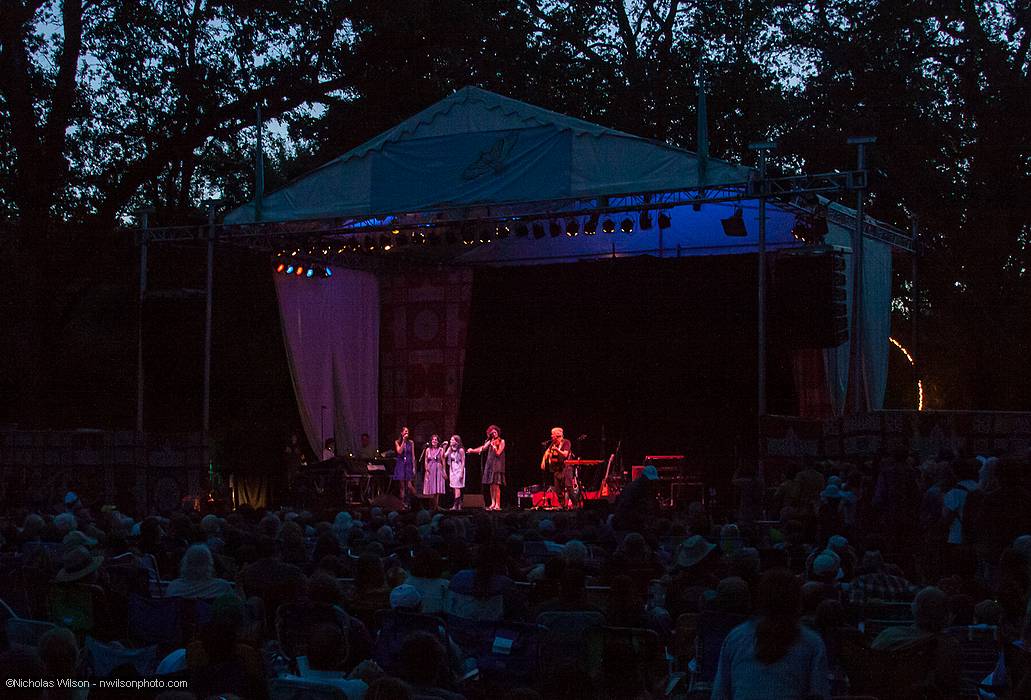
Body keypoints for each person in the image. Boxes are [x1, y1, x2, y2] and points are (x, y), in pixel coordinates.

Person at [711, 568, 830, 700]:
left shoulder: (735, 637)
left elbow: (719, 693)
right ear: (797, 601)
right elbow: (819, 693)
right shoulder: (812, 642)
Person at [468, 425, 505, 511]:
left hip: (497, 465)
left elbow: (499, 453)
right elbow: (483, 448)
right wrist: (472, 450)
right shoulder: (490, 441)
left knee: (496, 485)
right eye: (492, 433)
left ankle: (497, 504)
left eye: (495, 432)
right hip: (490, 465)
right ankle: (492, 503)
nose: (494, 434)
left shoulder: (502, 441)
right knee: (491, 485)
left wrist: (494, 447)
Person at [540, 427, 572, 509]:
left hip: (566, 467)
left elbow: (565, 454)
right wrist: (543, 461)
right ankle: (562, 505)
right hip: (557, 469)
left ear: (558, 435)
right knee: (557, 489)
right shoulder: (553, 443)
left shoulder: (566, 442)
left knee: (568, 487)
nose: (551, 436)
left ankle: (575, 504)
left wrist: (557, 450)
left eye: (552, 435)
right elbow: (547, 451)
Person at [421, 435, 446, 510]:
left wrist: (444, 471)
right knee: (430, 487)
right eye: (432, 440)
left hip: (438, 468)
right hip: (430, 468)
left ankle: (436, 506)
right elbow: (425, 460)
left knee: (437, 488)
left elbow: (443, 461)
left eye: (435, 440)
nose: (434, 441)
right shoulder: (428, 449)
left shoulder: (441, 449)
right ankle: (431, 506)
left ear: (438, 441)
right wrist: (426, 468)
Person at [394, 427, 416, 508]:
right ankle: (402, 504)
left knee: (409, 485)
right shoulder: (397, 442)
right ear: (402, 433)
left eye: (408, 432)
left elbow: (413, 456)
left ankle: (415, 500)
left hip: (409, 465)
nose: (407, 433)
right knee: (402, 486)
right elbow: (399, 451)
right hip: (401, 464)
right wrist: (403, 441)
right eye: (405, 431)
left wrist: (414, 467)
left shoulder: (411, 442)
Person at [443, 435, 465, 510]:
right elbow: (444, 456)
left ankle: (456, 505)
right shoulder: (450, 448)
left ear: (457, 441)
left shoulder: (461, 450)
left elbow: (463, 462)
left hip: (459, 469)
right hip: (452, 469)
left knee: (457, 487)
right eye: (450, 440)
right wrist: (444, 448)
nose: (450, 441)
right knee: (453, 487)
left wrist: (461, 472)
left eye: (452, 440)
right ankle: (459, 504)